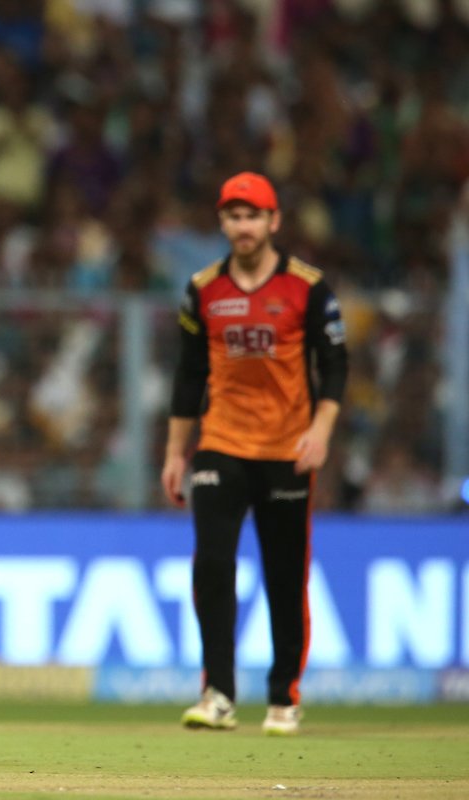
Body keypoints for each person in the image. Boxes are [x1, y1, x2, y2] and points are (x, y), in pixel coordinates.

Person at [160, 172, 348, 736]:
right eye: (234, 216)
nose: (243, 226)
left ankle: (283, 697)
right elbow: (189, 375)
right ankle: (218, 694)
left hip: (287, 450)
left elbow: (335, 365)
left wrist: (321, 431)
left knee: (285, 576)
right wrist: (175, 453)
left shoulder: (307, 287)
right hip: (222, 444)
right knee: (213, 567)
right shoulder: (203, 289)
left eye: (253, 216)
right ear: (222, 222)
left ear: (274, 221)